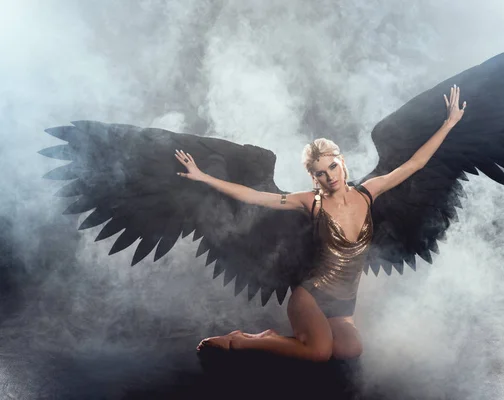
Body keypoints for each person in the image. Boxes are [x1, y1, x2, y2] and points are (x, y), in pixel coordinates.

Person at [173, 86, 466, 361]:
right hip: (311, 297)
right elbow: (255, 196)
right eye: (320, 173)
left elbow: (414, 164)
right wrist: (204, 177)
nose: (330, 176)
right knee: (319, 352)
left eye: (332, 167)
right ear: (314, 178)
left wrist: (449, 123)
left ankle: (280, 338)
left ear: (342, 162)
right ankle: (241, 340)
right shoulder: (309, 202)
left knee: (350, 350)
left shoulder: (369, 192)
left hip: (344, 304)